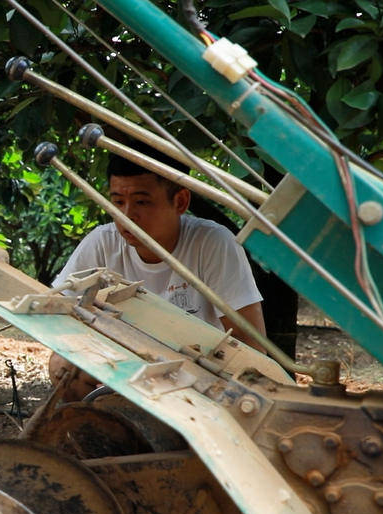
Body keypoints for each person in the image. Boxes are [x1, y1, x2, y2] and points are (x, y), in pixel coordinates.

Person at [48, 144, 266, 401]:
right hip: (123, 371)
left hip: (197, 382)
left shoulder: (213, 243)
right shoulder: (101, 243)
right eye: (118, 202)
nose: (127, 216)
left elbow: (252, 345)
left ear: (180, 201)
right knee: (63, 364)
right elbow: (58, 314)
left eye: (142, 202)